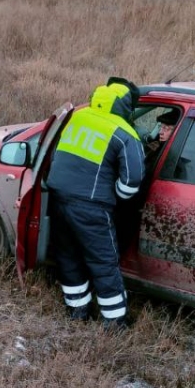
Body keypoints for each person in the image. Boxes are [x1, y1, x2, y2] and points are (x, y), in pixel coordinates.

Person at [46, 79, 146, 328]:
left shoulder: (78, 117)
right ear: (124, 106)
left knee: (68, 256)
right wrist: (116, 200)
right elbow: (132, 182)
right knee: (103, 263)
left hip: (57, 199)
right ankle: (114, 322)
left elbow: (56, 152)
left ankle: (78, 311)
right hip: (92, 207)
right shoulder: (124, 134)